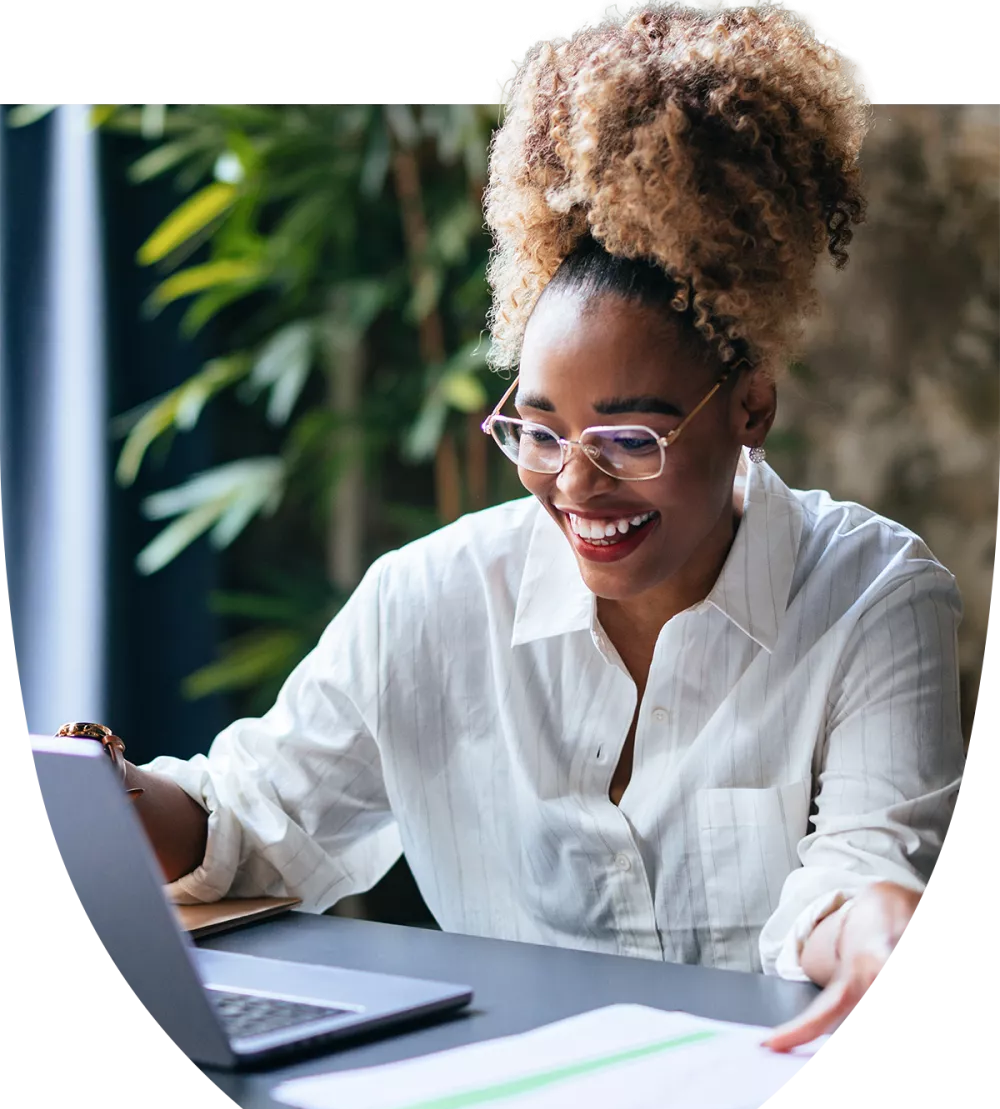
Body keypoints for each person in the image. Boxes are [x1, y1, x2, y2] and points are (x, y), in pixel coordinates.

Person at [68, 4, 966, 1051]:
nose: (574, 487)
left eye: (630, 437)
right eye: (537, 432)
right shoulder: (430, 598)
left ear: (749, 406)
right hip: (503, 1107)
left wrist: (873, 919)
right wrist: (86, 782)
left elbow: (863, 868)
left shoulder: (871, 593)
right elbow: (248, 824)